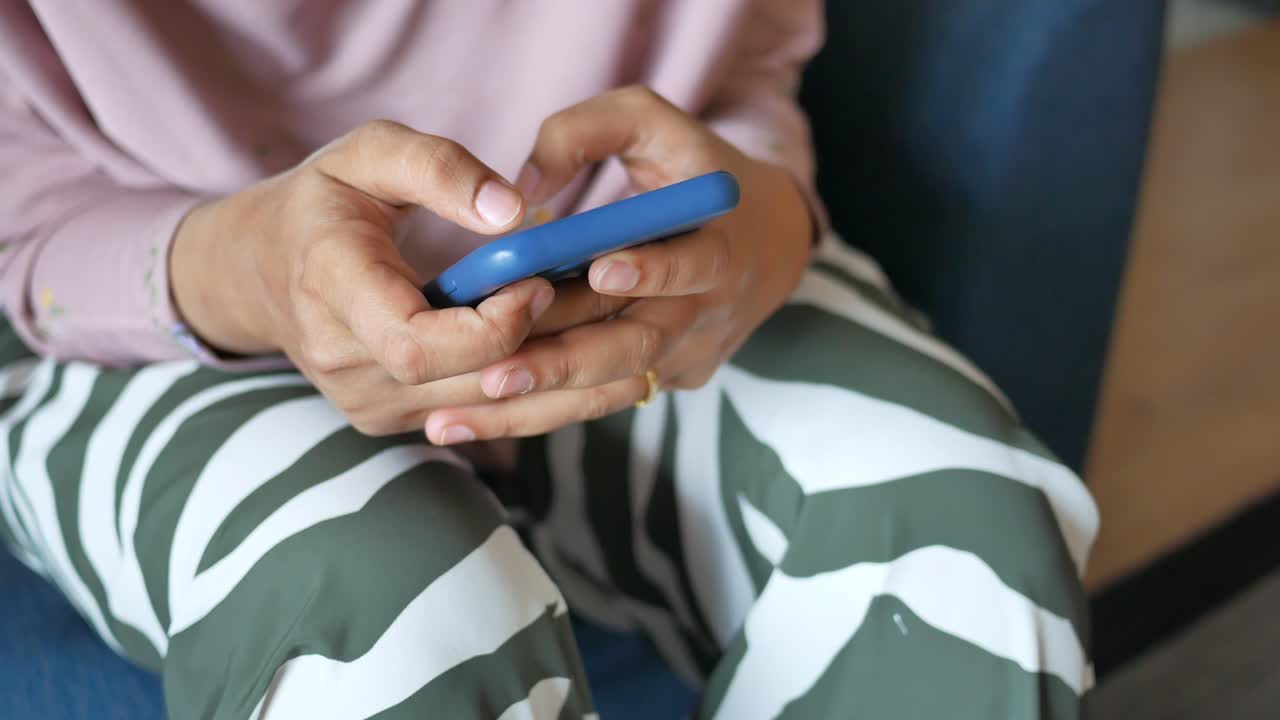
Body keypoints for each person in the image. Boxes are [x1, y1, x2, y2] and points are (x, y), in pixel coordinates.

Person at [0, 1, 1097, 718]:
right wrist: (251, 272)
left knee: (953, 526)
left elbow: (745, 62)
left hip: (634, 242)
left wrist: (761, 209)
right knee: (378, 611)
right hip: (147, 303)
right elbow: (29, 224)